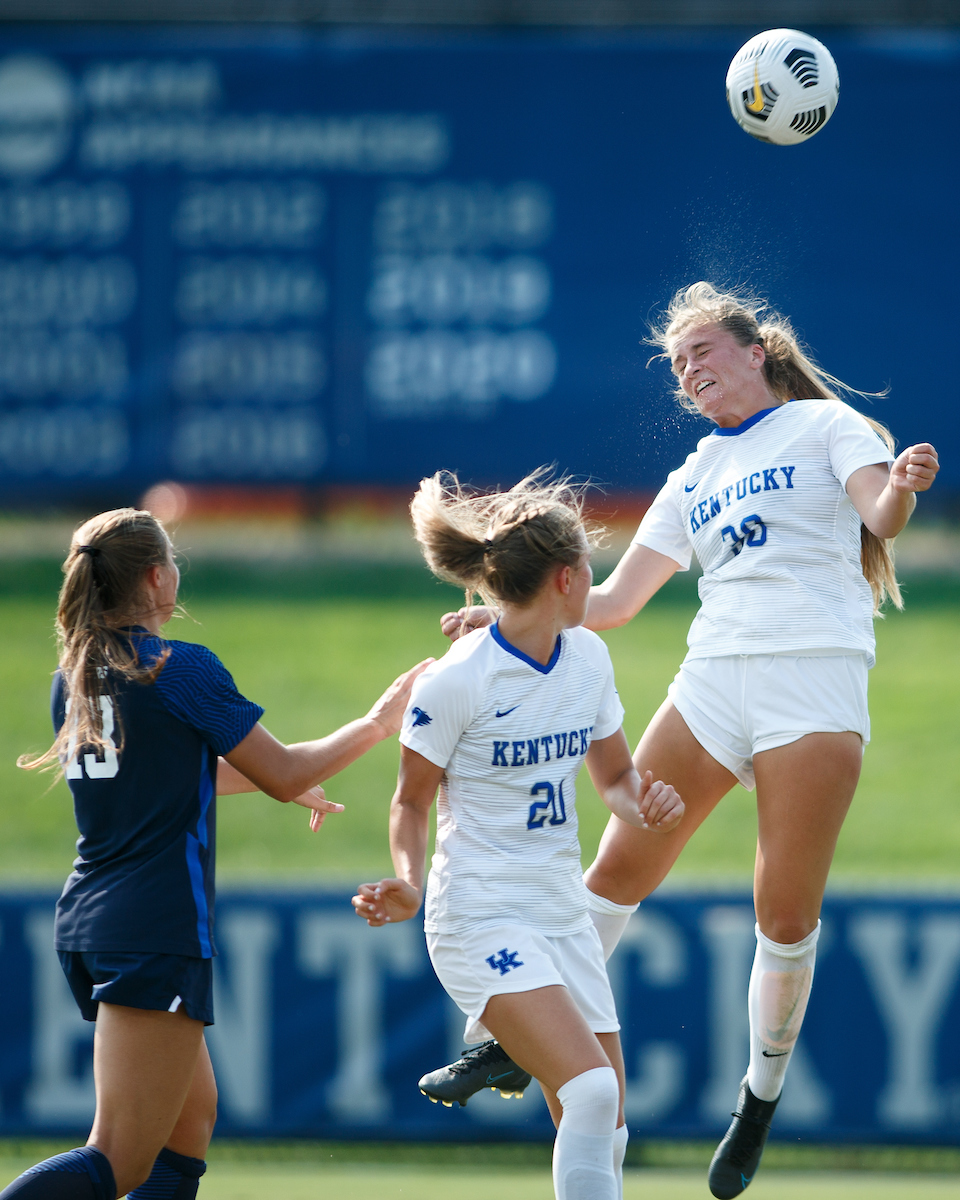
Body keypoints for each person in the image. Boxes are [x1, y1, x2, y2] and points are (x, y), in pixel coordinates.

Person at [427, 283, 940, 1199]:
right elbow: (614, 603)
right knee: (614, 874)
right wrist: (506, 623)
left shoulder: (830, 430)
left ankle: (758, 1099)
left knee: (783, 917)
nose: (691, 371)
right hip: (713, 681)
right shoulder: (696, 470)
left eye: (704, 351)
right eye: (678, 364)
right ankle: (506, 1040)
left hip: (813, 679)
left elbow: (879, 517)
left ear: (757, 352)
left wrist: (899, 487)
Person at [3, 507, 430, 1200]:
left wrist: (280, 788)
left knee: (189, 1124)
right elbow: (284, 767)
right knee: (118, 1161)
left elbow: (167, 770)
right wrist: (377, 724)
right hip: (155, 926)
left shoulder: (76, 675)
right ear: (155, 577)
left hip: (90, 922)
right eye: (172, 561)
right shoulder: (179, 667)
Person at [352, 471, 683, 1200]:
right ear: (566, 579)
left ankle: (496, 1051)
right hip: (479, 912)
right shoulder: (459, 679)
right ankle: (490, 1038)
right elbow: (409, 802)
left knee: (605, 1118)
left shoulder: (588, 658)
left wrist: (644, 801)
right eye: (589, 568)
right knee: (593, 1090)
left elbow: (616, 779)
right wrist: (406, 878)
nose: (595, 580)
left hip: (558, 909)